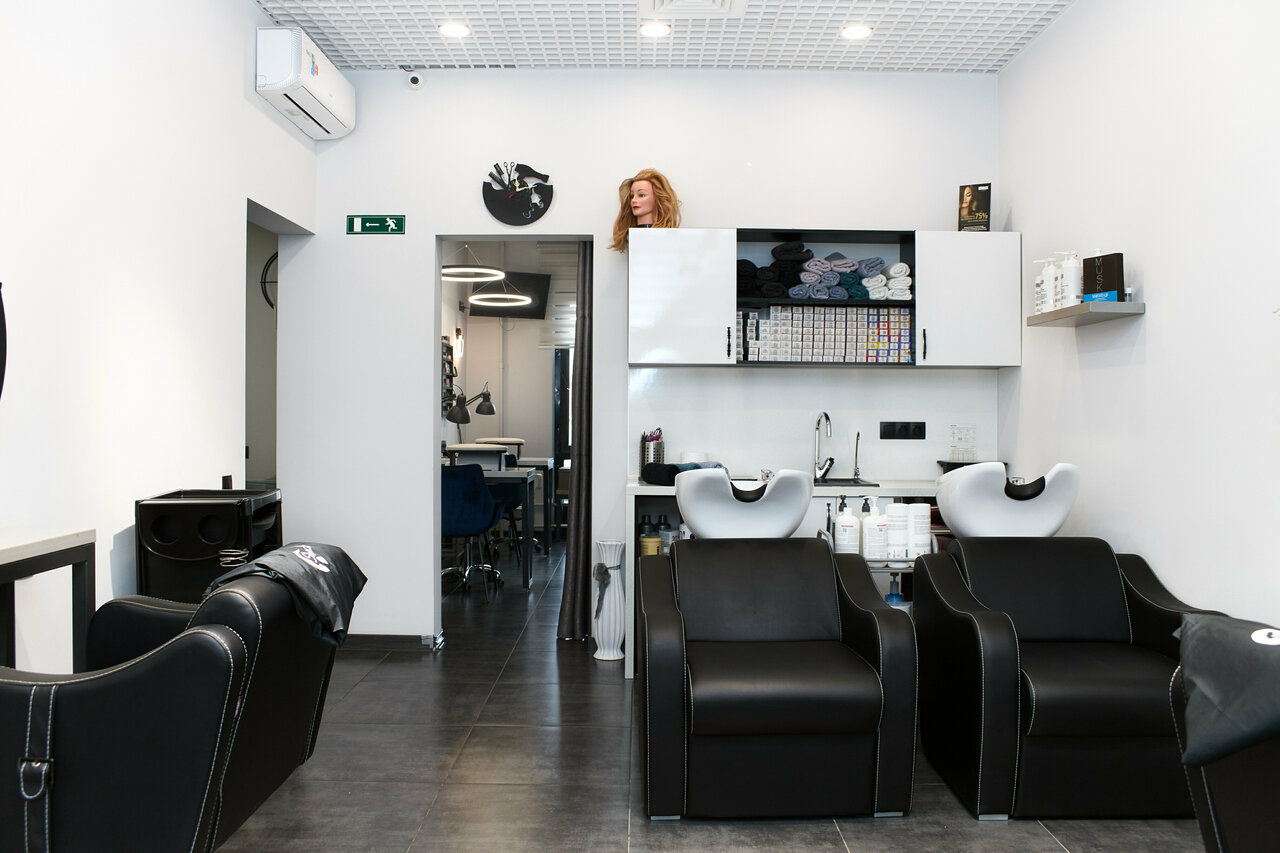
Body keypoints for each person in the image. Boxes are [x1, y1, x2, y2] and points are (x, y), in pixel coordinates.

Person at [609, 169, 681, 252]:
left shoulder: (667, 240)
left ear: (657, 198)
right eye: (632, 196)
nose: (633, 200)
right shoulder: (632, 235)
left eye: (641, 195)